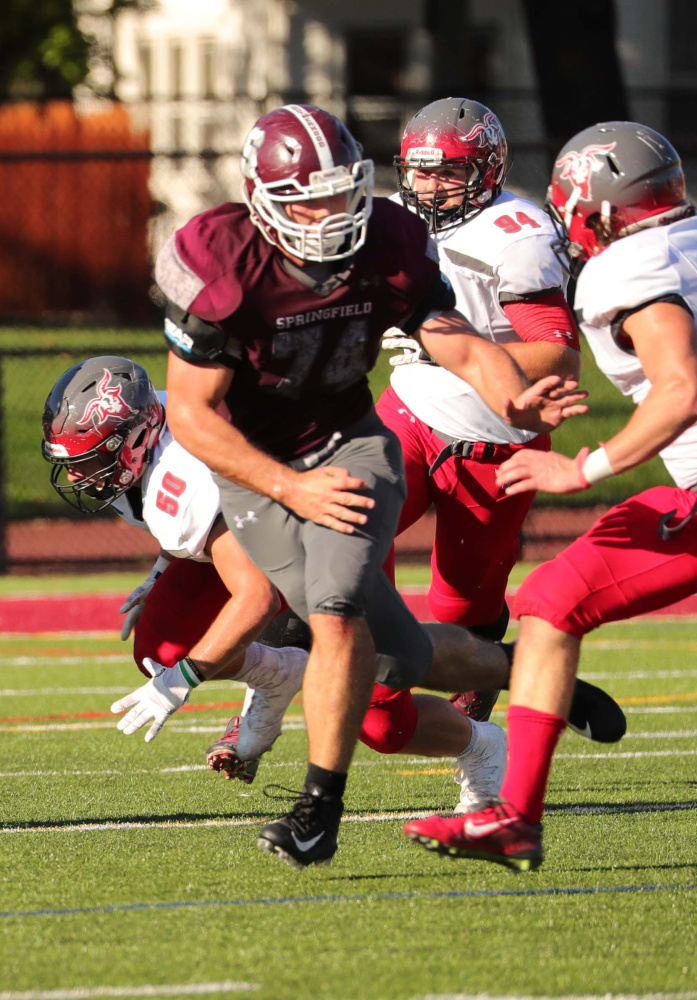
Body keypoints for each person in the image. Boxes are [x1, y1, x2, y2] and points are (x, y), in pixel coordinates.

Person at [151, 103, 587, 870]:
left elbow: (448, 335)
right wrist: (288, 487)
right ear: (260, 200)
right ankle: (524, 672)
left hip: (351, 443)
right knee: (399, 660)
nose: (326, 215)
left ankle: (318, 810)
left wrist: (509, 389)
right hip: (256, 464)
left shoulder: (386, 237)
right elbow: (190, 413)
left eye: (337, 192)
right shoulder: (217, 258)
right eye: (303, 200)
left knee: (336, 605)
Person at [404, 120, 697, 870]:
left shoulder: (627, 266)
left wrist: (581, 469)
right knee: (548, 606)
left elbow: (682, 390)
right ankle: (512, 818)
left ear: (593, 210)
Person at [355, 98, 624, 786]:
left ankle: (475, 726)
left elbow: (555, 358)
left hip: (492, 437)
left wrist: (443, 346)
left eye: (445, 174)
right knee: (344, 540)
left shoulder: (517, 232)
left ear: (484, 168)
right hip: (409, 411)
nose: (426, 188)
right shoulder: (395, 219)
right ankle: (339, 657)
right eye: (417, 173)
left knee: (461, 614)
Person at [41, 355, 307, 776]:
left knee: (380, 714)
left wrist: (183, 680)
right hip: (253, 527)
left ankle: (453, 718)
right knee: (158, 646)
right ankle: (280, 674)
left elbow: (257, 596)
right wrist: (160, 572)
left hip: (323, 527)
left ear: (131, 442)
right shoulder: (146, 436)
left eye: (86, 460)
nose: (75, 477)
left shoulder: (184, 474)